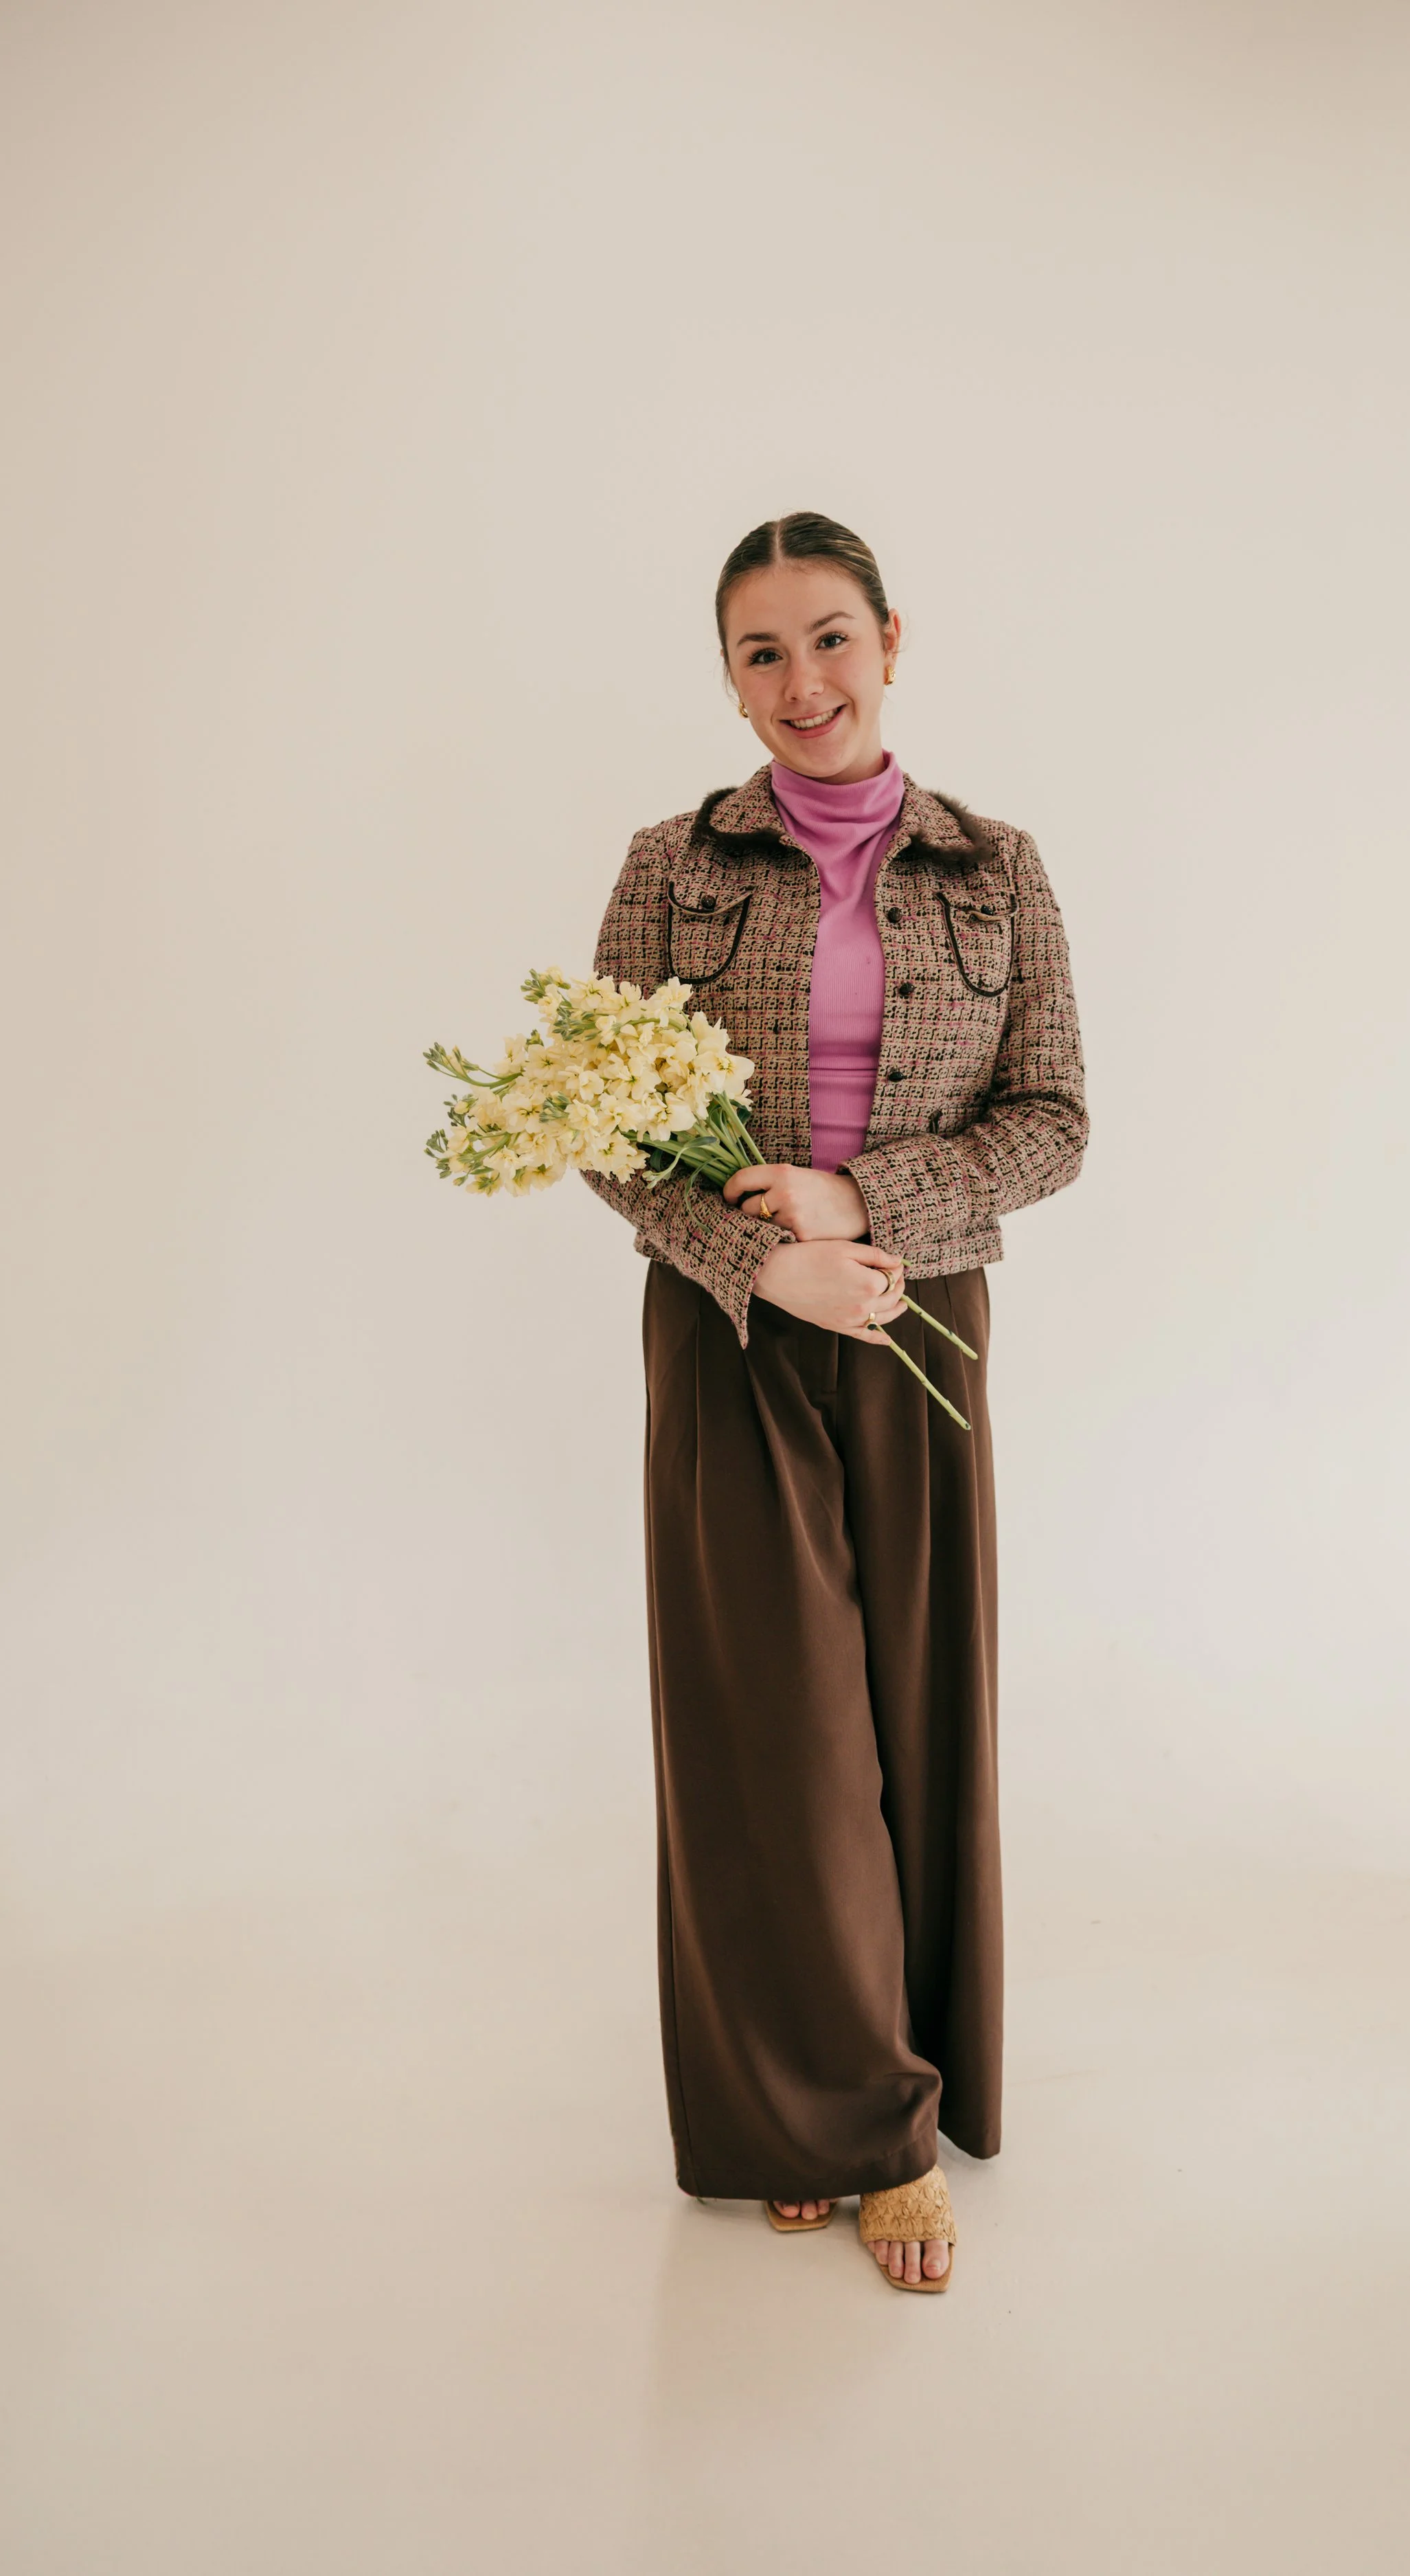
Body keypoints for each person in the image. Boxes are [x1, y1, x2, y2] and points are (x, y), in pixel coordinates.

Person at [584, 512, 1087, 2292]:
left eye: (827, 640)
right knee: (773, 1739)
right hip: (728, 1337)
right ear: (727, 676)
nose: (801, 684)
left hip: (914, 1319)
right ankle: (829, 2114)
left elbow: (1050, 1122)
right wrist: (749, 1263)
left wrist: (858, 1204)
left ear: (892, 639)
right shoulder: (669, 863)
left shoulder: (996, 868)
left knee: (915, 1718)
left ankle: (894, 2078)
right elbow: (607, 1124)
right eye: (758, 653)